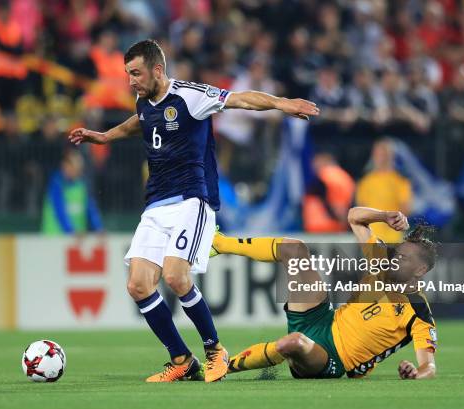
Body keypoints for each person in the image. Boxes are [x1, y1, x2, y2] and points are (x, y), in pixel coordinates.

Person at [68, 39, 319, 383]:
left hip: (191, 200)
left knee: (175, 276)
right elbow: (137, 123)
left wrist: (280, 103)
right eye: (128, 74)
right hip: (156, 204)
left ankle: (215, 350)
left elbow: (239, 99)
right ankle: (182, 360)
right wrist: (104, 137)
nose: (131, 81)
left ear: (158, 69)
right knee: (139, 285)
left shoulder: (190, 95)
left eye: (136, 73)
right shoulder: (143, 100)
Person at [209, 206, 437, 380]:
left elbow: (429, 366)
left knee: (293, 343)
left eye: (403, 259)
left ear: (420, 269)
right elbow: (354, 217)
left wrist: (416, 372)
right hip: (324, 319)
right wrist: (384, 216)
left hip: (335, 358)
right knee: (294, 249)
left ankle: (219, 366)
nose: (395, 260)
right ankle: (219, 243)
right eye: (396, 254)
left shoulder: (418, 311)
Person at [356, 139, 412, 243]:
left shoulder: (400, 181)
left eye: (384, 154)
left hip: (393, 237)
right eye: (378, 154)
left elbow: (406, 209)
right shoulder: (365, 182)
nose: (381, 158)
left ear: (391, 156)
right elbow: (361, 210)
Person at [41, 150, 103, 235]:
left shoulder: (82, 184)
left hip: (76, 238)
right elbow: (59, 210)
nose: (76, 171)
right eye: (73, 167)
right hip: (54, 237)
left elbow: (90, 208)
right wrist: (71, 231)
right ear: (64, 165)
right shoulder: (56, 184)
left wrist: (99, 228)